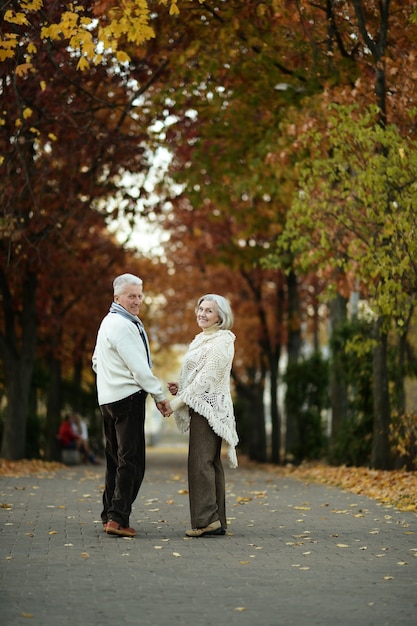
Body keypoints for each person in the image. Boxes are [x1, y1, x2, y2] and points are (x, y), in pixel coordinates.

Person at [92, 273, 172, 538]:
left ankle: (109, 515)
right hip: (127, 399)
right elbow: (139, 368)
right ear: (117, 297)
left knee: (115, 459)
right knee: (132, 461)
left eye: (139, 295)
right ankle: (117, 518)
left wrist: (109, 379)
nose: (137, 300)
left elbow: (95, 361)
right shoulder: (123, 326)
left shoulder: (108, 322)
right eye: (131, 296)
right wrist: (159, 396)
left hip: (108, 399)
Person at [168, 294, 238, 538]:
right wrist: (182, 388)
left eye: (209, 310)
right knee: (209, 462)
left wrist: (175, 403)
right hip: (200, 405)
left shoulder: (222, 341)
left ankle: (207, 520)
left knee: (201, 464)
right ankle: (216, 520)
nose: (202, 313)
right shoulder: (201, 340)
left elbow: (206, 378)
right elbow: (197, 377)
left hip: (209, 410)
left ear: (221, 316)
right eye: (200, 309)